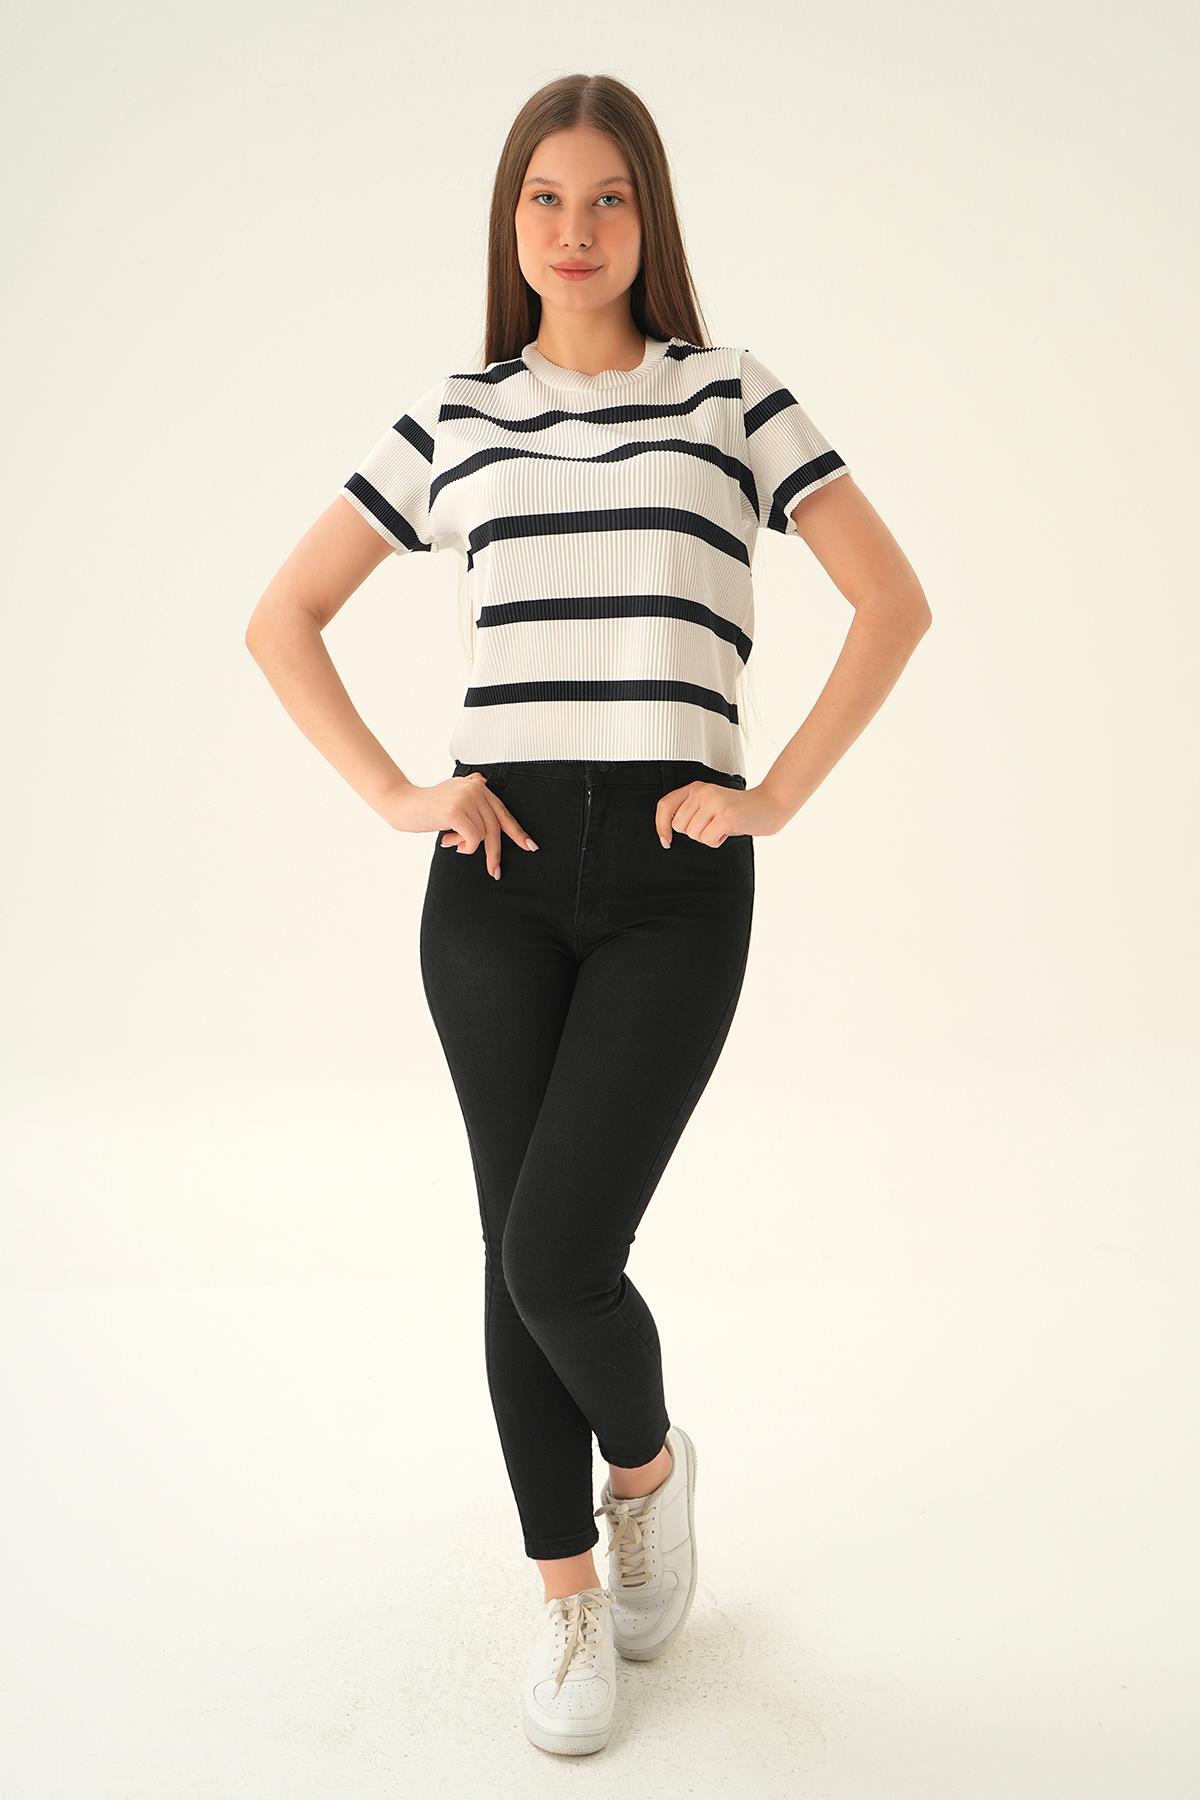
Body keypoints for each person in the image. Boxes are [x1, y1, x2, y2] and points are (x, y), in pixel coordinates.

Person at [245, 73, 931, 1759]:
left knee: (563, 1253)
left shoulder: (731, 394)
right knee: (515, 1250)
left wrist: (777, 792)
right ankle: (566, 1596)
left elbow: (892, 600)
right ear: (511, 222)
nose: (575, 228)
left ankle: (648, 1467)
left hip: (675, 885)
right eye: (546, 198)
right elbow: (285, 618)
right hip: (493, 875)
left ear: (650, 218)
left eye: (608, 197)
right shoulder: (456, 413)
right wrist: (397, 791)